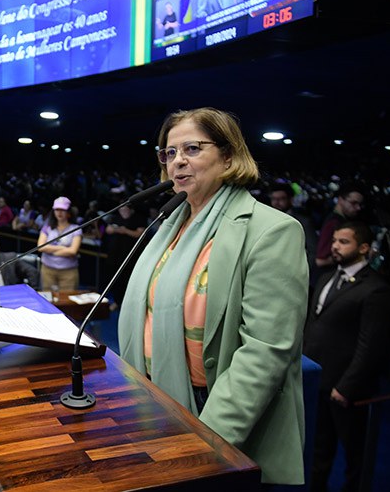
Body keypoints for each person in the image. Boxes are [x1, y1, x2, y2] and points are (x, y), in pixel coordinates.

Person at [118, 107, 308, 485]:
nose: (177, 162)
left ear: (229, 156)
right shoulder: (169, 226)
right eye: (169, 153)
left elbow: (265, 352)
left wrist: (207, 444)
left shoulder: (272, 231)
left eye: (192, 148)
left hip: (214, 412)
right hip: (154, 400)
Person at [303, 221, 390, 492]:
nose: (334, 246)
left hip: (347, 388)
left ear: (364, 248)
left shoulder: (377, 289)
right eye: (334, 241)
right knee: (319, 448)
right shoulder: (326, 276)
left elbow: (371, 346)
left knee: (355, 454)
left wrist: (346, 387)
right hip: (318, 379)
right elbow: (313, 325)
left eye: (344, 242)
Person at [314, 181, 366, 278]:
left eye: (359, 204)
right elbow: (320, 261)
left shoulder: (338, 221)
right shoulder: (334, 223)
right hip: (323, 278)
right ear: (341, 200)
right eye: (353, 203)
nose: (358, 208)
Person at [102, 202, 147, 306]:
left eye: (125, 210)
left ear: (131, 210)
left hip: (130, 255)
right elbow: (108, 230)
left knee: (128, 280)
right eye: (121, 210)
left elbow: (139, 233)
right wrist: (117, 230)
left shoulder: (138, 218)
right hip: (115, 254)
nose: (123, 212)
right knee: (115, 279)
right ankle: (116, 302)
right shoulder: (115, 218)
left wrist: (125, 231)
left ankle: (128, 303)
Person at [269, 182, 318, 275]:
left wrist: (304, 273)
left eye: (281, 199)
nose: (277, 202)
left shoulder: (303, 221)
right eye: (274, 199)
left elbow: (313, 251)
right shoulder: (267, 219)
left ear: (290, 199)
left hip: (295, 272)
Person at [37, 196, 82, 290]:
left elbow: (73, 251)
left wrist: (50, 250)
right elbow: (40, 247)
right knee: (48, 299)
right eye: (57, 209)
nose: (59, 212)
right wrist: (63, 249)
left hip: (68, 272)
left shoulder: (75, 229)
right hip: (48, 270)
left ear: (68, 212)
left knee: (67, 302)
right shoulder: (47, 227)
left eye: (63, 210)